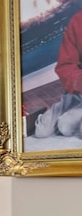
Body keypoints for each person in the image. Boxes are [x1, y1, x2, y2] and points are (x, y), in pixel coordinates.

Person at [35, 10, 82, 138]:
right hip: (78, 92)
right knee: (42, 132)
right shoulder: (77, 20)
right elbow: (65, 65)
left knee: (66, 126)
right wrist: (78, 81)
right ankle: (67, 108)